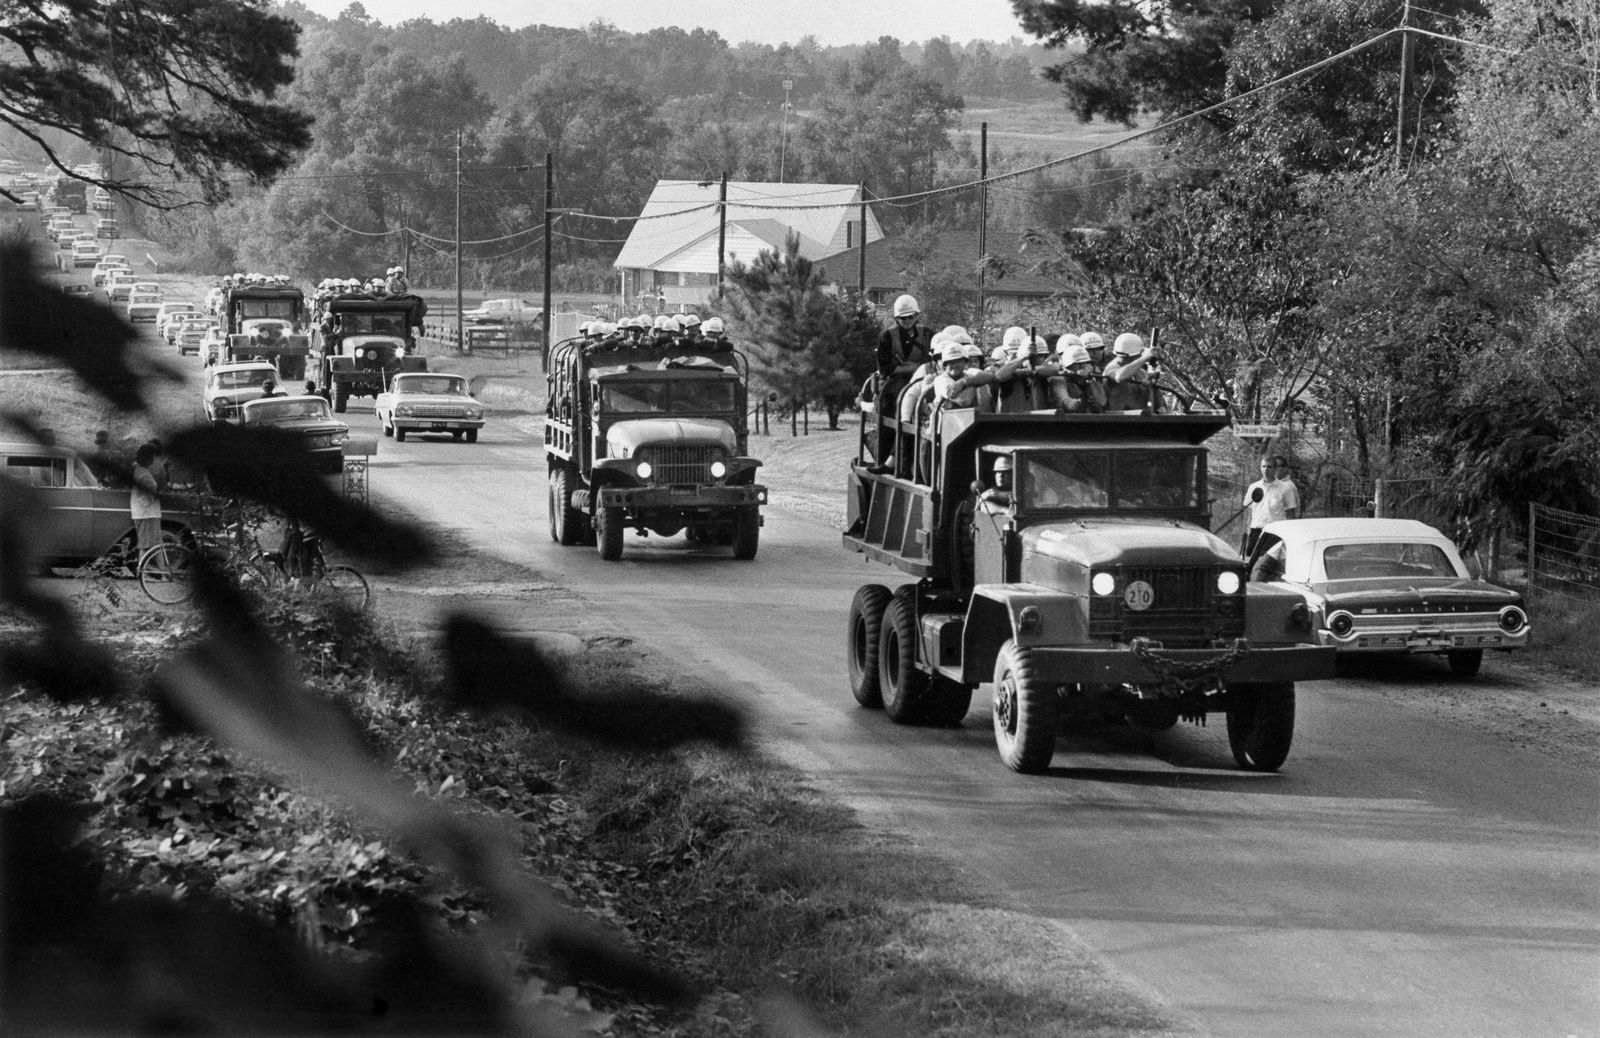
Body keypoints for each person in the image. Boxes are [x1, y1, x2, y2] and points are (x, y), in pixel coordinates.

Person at [875, 294, 934, 460]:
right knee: (888, 418)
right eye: (902, 318)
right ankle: (885, 459)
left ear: (917, 316)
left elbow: (935, 360)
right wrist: (914, 367)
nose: (907, 320)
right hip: (892, 387)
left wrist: (910, 369)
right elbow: (885, 368)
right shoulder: (886, 336)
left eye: (910, 317)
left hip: (922, 382)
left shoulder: (928, 334)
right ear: (896, 318)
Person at [1242, 454, 1300, 556]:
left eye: (1269, 467)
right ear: (1260, 468)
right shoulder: (1253, 487)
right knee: (1250, 563)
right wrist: (1247, 532)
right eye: (1263, 466)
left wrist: (1289, 536)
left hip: (1275, 533)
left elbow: (1291, 514)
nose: (1266, 470)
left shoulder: (1285, 488)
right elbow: (1248, 511)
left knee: (1270, 566)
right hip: (1255, 532)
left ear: (1275, 468)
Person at [1103, 332, 1164, 412]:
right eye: (1139, 354)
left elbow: (1149, 397)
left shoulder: (1140, 372)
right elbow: (1119, 376)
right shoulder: (1111, 368)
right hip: (1118, 419)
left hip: (1141, 418)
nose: (1140, 356)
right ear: (1131, 356)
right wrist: (1145, 358)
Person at [129, 443, 162, 565]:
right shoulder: (142, 474)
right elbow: (146, 497)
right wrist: (155, 496)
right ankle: (142, 570)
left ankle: (163, 573)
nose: (153, 459)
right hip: (146, 512)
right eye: (152, 456)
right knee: (147, 544)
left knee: (152, 544)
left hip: (147, 512)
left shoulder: (138, 470)